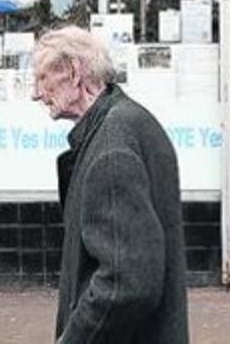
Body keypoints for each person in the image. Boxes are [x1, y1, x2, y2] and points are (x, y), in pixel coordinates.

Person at [31, 26, 189, 344]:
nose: (35, 93)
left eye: (42, 78)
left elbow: (125, 283)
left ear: (74, 72)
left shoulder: (111, 148)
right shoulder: (129, 121)